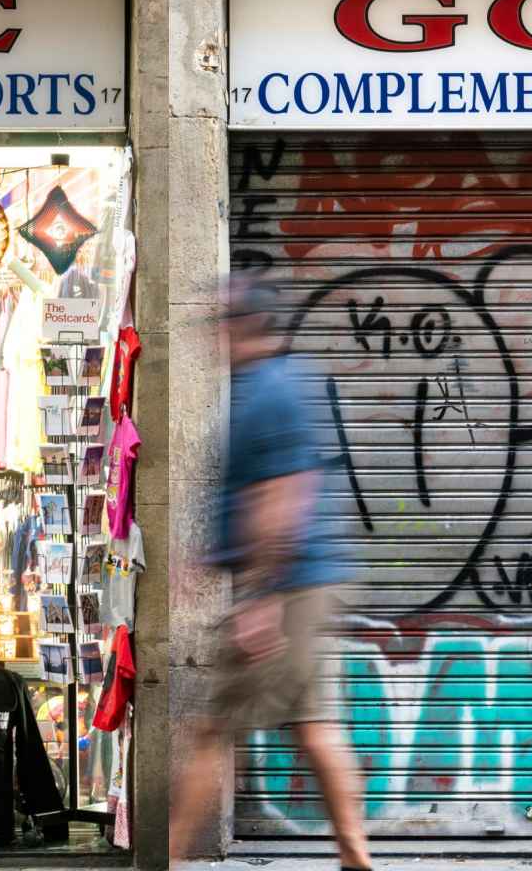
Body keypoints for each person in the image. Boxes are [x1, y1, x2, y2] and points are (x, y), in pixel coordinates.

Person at [170, 275, 371, 871]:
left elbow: (285, 496)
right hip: (295, 584)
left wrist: (259, 599)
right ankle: (356, 856)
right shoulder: (267, 387)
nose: (213, 337)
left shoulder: (269, 394)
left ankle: (170, 856)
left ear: (245, 328)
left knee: (213, 729)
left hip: (286, 589)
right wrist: (212, 557)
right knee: (313, 725)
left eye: (220, 324)